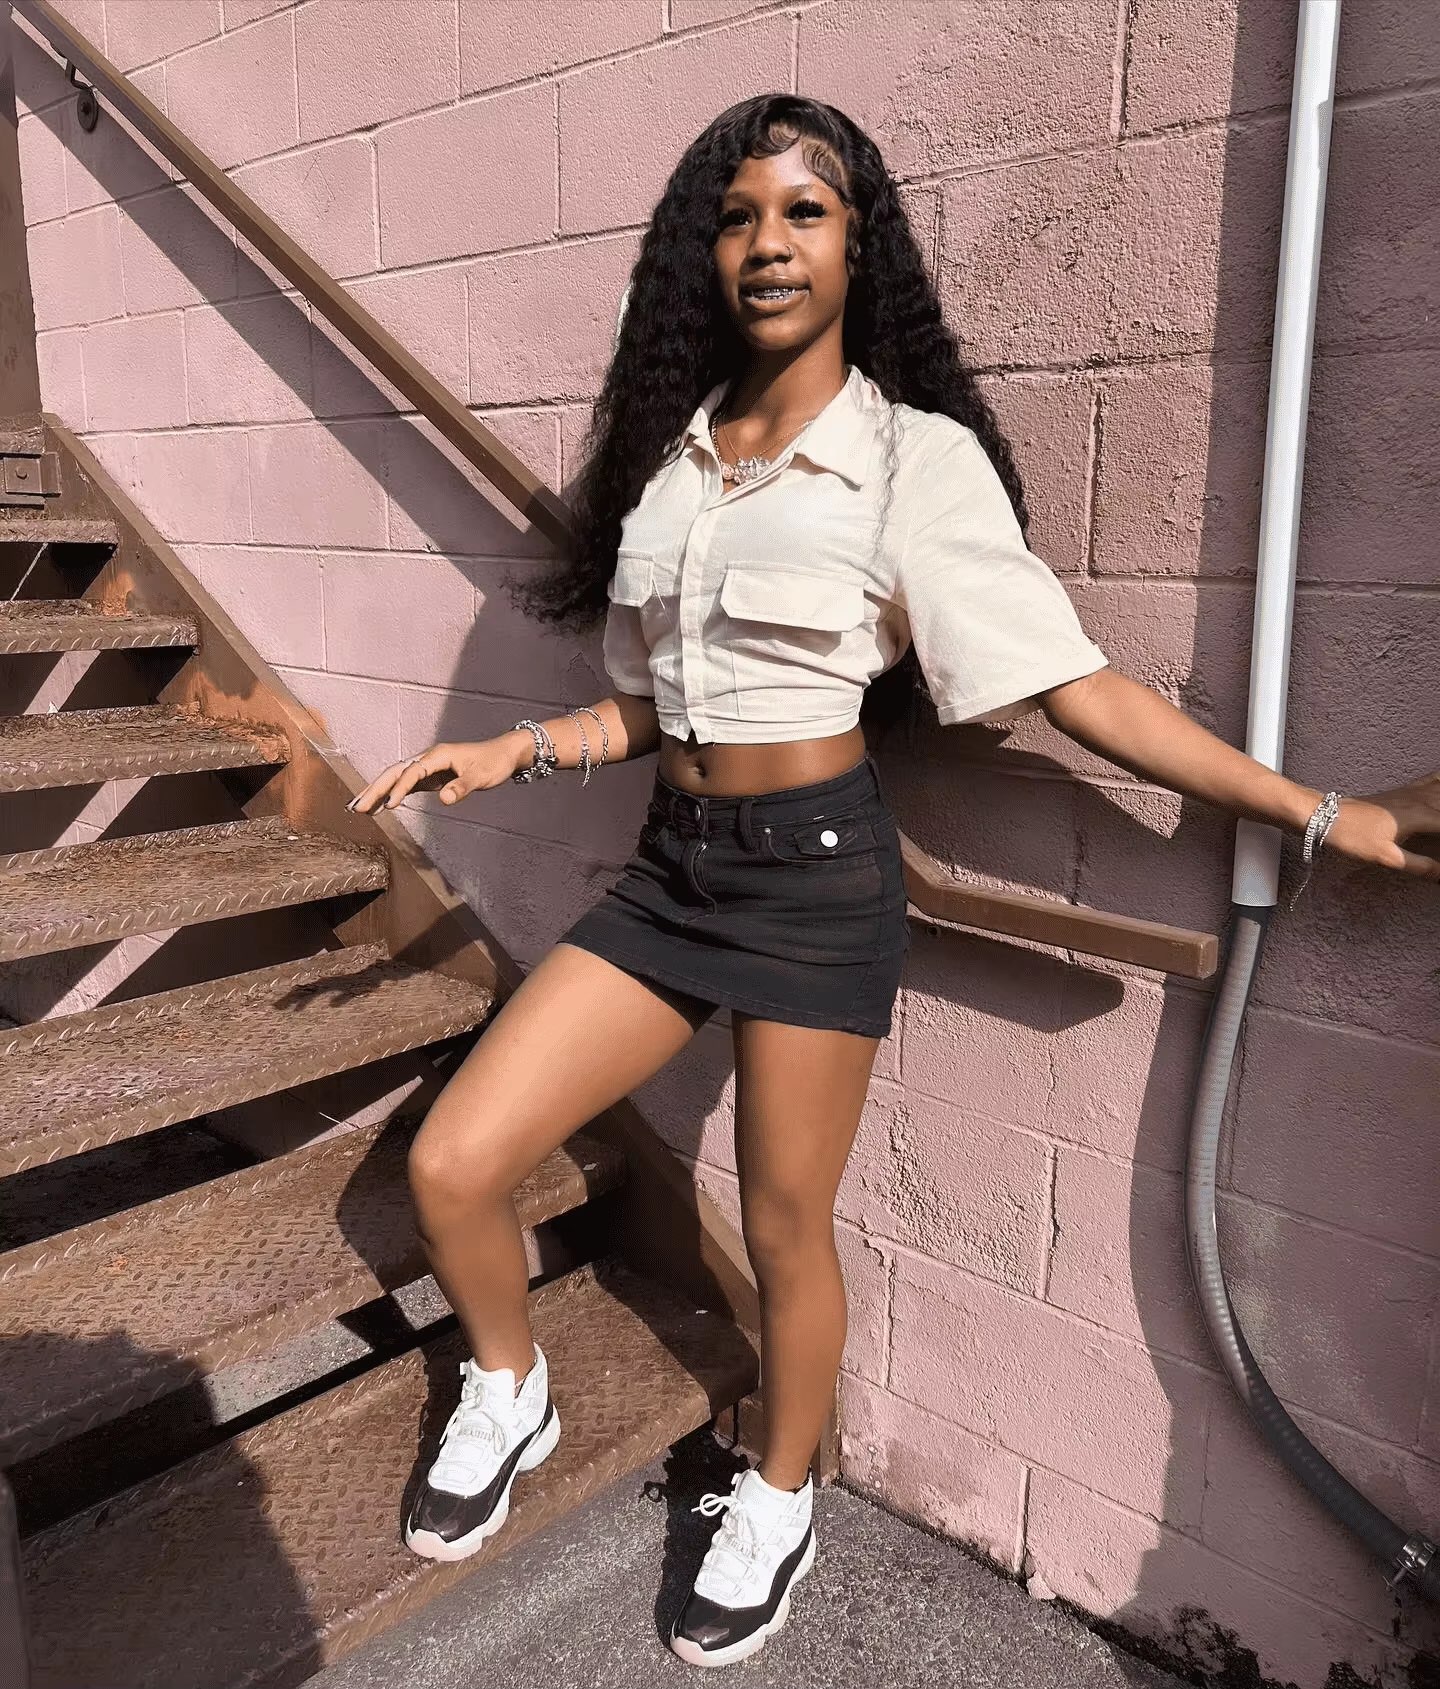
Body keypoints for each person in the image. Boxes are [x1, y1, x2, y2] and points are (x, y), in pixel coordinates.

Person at [347, 93, 1440, 1670]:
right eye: (738, 215)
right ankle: (509, 1387)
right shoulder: (671, 462)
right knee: (456, 1160)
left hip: (813, 885)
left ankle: (779, 1492)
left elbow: (1076, 686)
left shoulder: (913, 461)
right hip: (671, 876)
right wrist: (514, 751)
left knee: (787, 1225)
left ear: (862, 248)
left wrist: (1325, 813)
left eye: (806, 211)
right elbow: (652, 705)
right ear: (701, 252)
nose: (768, 242)